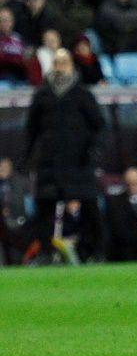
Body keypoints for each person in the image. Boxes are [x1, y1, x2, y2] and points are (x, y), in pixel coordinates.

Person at [24, 49, 107, 262]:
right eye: (57, 63)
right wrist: (25, 158)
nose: (60, 68)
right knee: (44, 210)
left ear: (71, 66)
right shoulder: (42, 95)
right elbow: (31, 130)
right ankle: (45, 252)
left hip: (79, 162)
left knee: (90, 209)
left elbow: (99, 126)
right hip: (49, 163)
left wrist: (94, 149)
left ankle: (95, 251)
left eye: (64, 63)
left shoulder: (83, 95)